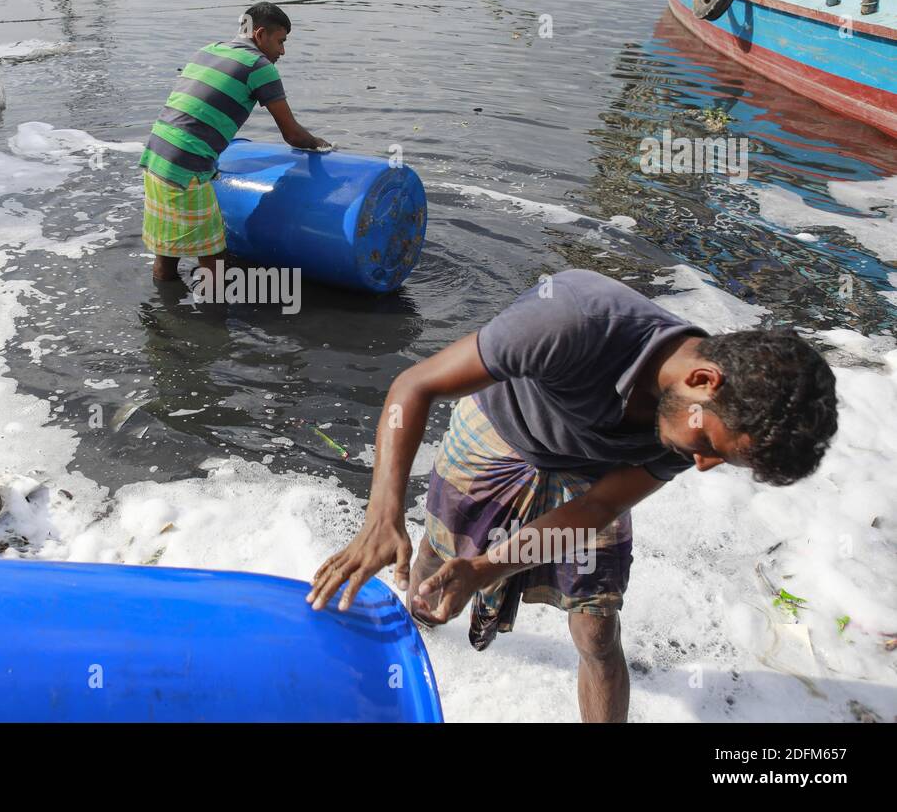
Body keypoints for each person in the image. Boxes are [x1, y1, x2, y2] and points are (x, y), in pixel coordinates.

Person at [307, 269, 838, 722]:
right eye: (707, 447)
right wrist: (383, 513)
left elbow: (598, 508)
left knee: (597, 624)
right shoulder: (573, 319)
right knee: (437, 559)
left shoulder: (699, 415)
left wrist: (488, 568)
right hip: (500, 431)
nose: (701, 464)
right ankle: (420, 647)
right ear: (703, 378)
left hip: (595, 473)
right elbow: (413, 387)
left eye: (721, 459)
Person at [139, 2, 330, 283]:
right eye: (281, 41)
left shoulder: (209, 50)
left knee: (167, 252)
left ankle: (162, 318)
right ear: (260, 34)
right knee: (213, 259)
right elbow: (292, 135)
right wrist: (320, 144)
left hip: (157, 155)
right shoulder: (259, 66)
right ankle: (212, 324)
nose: (282, 51)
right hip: (189, 165)